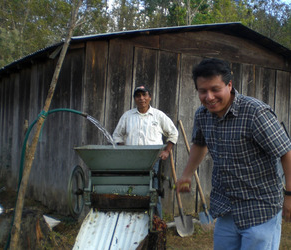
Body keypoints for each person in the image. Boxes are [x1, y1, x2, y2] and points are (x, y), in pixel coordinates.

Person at [176, 58, 291, 249]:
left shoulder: (255, 112)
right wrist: (186, 174)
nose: (209, 97)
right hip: (226, 208)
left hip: (260, 208)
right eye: (202, 91)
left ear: (229, 85)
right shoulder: (202, 115)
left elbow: (286, 152)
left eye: (215, 89)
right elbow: (199, 144)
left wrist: (289, 194)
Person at [112, 85, 179, 219]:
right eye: (138, 96)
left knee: (153, 190)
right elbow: (117, 136)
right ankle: (134, 220)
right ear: (135, 99)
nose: (141, 98)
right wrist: (123, 151)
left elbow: (173, 133)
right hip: (133, 161)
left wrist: (167, 151)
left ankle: (156, 221)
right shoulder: (128, 116)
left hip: (153, 160)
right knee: (133, 190)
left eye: (144, 95)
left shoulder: (158, 115)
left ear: (150, 97)